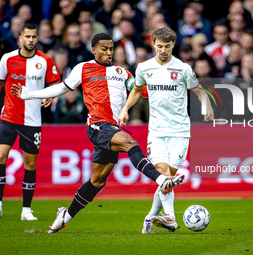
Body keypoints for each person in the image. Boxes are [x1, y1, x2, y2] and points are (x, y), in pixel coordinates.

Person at [11, 32, 184, 233]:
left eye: (111, 49)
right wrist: (29, 94)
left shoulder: (122, 72)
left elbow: (141, 91)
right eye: (104, 49)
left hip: (113, 128)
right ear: (94, 50)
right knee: (130, 144)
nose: (109, 52)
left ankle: (65, 216)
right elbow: (61, 88)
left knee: (97, 181)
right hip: (97, 126)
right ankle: (162, 180)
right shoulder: (83, 68)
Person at [118, 27, 214, 233]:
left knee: (168, 178)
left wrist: (207, 106)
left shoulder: (183, 69)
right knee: (163, 175)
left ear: (173, 46)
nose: (163, 50)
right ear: (153, 44)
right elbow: (136, 90)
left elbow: (198, 90)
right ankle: (170, 217)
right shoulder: (144, 68)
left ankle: (149, 218)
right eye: (159, 46)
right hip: (156, 131)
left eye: (167, 47)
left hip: (180, 131)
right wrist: (125, 109)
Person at [0, 23, 61, 220]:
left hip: (32, 121)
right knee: (0, 157)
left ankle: (26, 209)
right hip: (8, 117)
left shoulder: (45, 60)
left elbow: (55, 85)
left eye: (34, 37)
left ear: (37, 38)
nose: (31, 40)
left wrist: (50, 97)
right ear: (20, 38)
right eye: (27, 37)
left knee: (30, 165)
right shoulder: (7, 59)